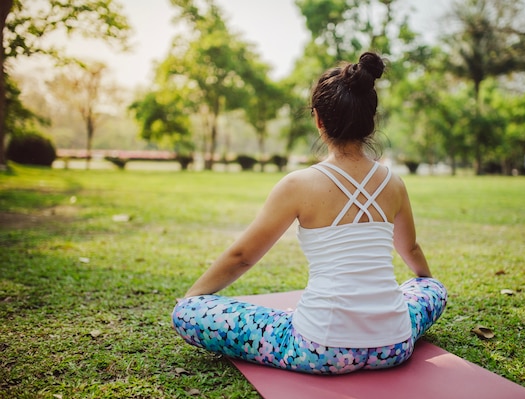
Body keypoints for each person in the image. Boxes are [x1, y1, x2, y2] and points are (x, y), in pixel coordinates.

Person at [172, 52, 447, 375]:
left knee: (188, 312)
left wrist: (193, 297)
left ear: (318, 119)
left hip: (320, 348)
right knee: (433, 289)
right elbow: (410, 250)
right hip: (394, 345)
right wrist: (425, 281)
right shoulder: (394, 183)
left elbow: (243, 256)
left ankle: (191, 306)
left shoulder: (298, 184)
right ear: (370, 120)